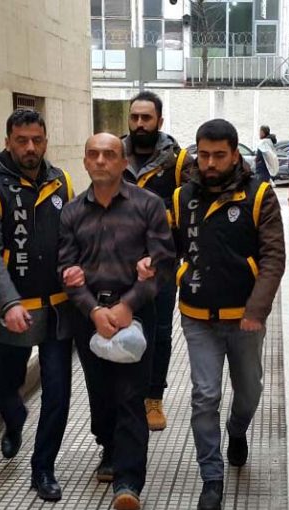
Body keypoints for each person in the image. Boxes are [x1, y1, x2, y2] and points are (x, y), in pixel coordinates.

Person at [171, 119, 285, 510]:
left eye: (219, 155)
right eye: (203, 155)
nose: (210, 163)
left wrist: (256, 310)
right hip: (197, 316)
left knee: (249, 390)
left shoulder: (259, 195)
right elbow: (171, 248)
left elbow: (273, 257)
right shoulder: (182, 197)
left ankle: (237, 430)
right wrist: (158, 264)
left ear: (235, 154)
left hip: (244, 318)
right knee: (205, 395)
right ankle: (211, 477)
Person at [58, 133, 175, 510]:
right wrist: (93, 310)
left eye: (109, 154)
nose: (100, 160)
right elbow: (66, 267)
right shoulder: (72, 212)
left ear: (124, 162)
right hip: (89, 316)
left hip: (135, 314)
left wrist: (128, 304)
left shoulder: (148, 205)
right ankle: (108, 446)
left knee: (130, 395)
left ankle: (129, 482)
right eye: (93, 154)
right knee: (100, 392)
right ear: (85, 161)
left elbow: (163, 261)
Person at [0, 109, 75, 502]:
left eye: (37, 140)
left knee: (58, 392)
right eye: (22, 140)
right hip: (12, 310)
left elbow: (72, 238)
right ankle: (13, 421)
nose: (30, 148)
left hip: (58, 308)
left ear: (45, 141)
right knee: (5, 385)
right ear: (8, 142)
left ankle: (43, 468)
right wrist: (9, 302)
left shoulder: (61, 181)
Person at [122, 91, 193, 432]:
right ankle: (127, 395)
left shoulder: (178, 162)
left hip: (162, 264)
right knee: (123, 326)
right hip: (119, 263)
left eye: (146, 118)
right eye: (134, 117)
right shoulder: (114, 155)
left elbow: (191, 207)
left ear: (159, 121)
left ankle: (153, 397)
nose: (139, 124)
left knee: (160, 331)